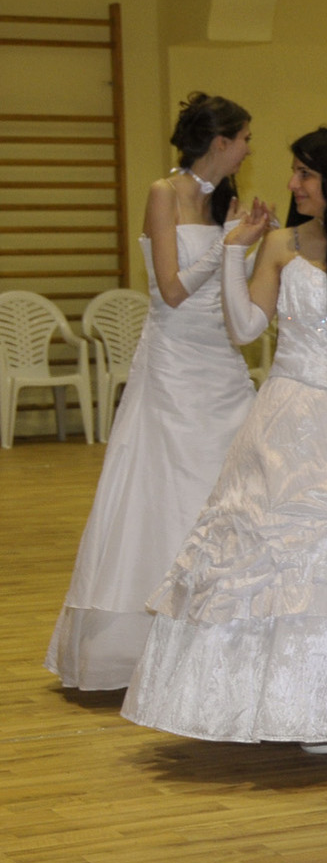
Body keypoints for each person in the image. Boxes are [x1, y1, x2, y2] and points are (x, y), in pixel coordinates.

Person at [123, 127, 327, 749]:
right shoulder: (281, 244)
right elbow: (245, 327)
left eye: (305, 174)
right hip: (291, 418)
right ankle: (305, 706)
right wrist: (234, 252)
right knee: (288, 565)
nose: (292, 184)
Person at [46, 95, 260, 692]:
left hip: (220, 361)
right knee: (166, 492)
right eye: (244, 138)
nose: (249, 149)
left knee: (233, 483)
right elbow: (171, 288)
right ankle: (147, 641)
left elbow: (228, 285)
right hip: (173, 365)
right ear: (219, 141)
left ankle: (224, 637)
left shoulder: (224, 200)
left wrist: (250, 247)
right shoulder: (163, 193)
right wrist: (228, 243)